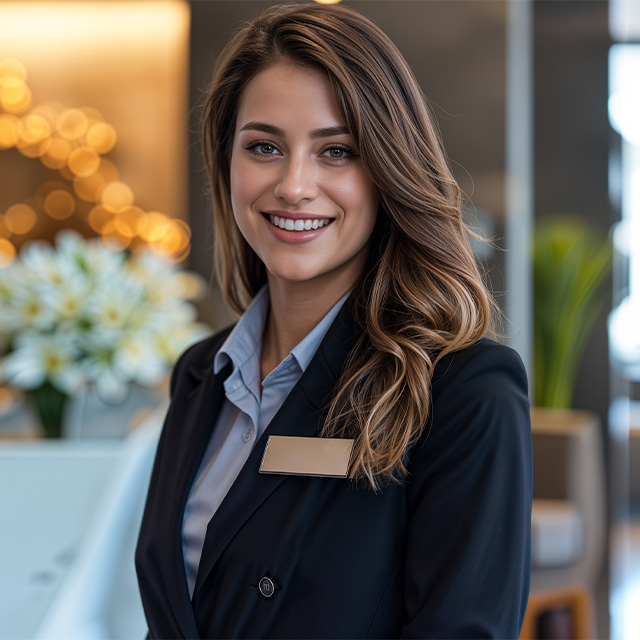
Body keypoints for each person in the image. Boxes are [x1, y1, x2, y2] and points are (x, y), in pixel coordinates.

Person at [135, 3, 532, 639]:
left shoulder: (464, 390)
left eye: (336, 151)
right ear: (224, 162)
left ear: (387, 170)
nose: (294, 185)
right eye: (264, 147)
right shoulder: (201, 373)